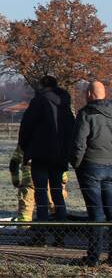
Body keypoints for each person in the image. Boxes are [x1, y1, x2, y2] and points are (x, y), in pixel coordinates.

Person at [18, 75, 75, 247]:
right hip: (60, 157)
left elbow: (26, 127)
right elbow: (72, 128)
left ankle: (40, 236)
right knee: (58, 195)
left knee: (41, 194)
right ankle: (60, 237)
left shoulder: (38, 102)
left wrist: (25, 148)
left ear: (42, 86)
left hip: (41, 155)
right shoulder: (65, 104)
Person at [70, 80, 112, 266]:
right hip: (111, 166)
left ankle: (93, 257)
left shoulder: (86, 114)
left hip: (91, 166)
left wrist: (76, 163)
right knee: (111, 213)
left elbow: (79, 143)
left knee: (96, 214)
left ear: (89, 94)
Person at [10, 146, 69, 222]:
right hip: (49, 180)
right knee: (56, 207)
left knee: (25, 210)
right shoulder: (53, 139)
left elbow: (14, 162)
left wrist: (15, 180)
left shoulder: (25, 141)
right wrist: (64, 179)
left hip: (29, 182)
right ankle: (57, 229)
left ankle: (23, 229)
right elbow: (59, 161)